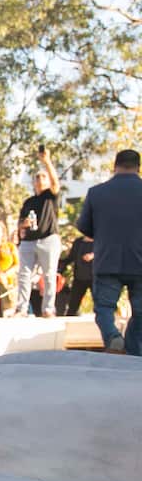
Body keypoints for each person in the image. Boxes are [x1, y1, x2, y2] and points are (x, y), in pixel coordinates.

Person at [75, 149, 142, 354]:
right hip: (140, 261)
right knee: (141, 313)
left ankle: (113, 338)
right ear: (138, 167)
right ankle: (133, 353)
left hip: (107, 260)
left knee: (104, 308)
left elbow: (84, 227)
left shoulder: (96, 193)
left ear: (115, 166)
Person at [15, 146, 61, 317]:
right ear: (33, 182)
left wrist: (46, 161)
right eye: (37, 177)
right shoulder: (28, 202)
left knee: (49, 275)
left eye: (43, 177)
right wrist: (23, 224)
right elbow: (19, 222)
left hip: (48, 239)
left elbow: (55, 184)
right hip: (29, 240)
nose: (40, 180)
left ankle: (48, 308)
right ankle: (21, 308)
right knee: (24, 274)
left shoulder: (50, 196)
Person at [59, 235, 94, 316]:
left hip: (95, 278)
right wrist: (60, 267)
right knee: (73, 305)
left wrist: (93, 255)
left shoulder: (100, 241)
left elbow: (106, 253)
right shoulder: (78, 242)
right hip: (79, 278)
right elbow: (71, 257)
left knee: (101, 304)